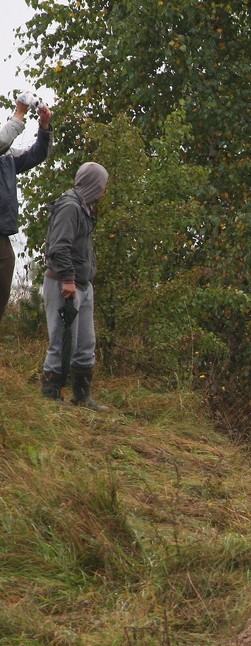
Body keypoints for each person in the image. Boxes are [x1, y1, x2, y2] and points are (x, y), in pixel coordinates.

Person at [40, 161, 110, 411]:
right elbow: (59, 247)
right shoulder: (70, 206)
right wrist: (68, 279)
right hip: (64, 283)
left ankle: (82, 397)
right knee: (60, 342)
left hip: (82, 285)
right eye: (102, 186)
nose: (103, 191)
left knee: (85, 345)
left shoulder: (83, 207)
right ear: (93, 184)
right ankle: (51, 398)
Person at [0, 93, 53, 321]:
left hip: (2, 236)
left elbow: (37, 155)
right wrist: (20, 112)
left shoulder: (6, 158)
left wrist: (44, 126)